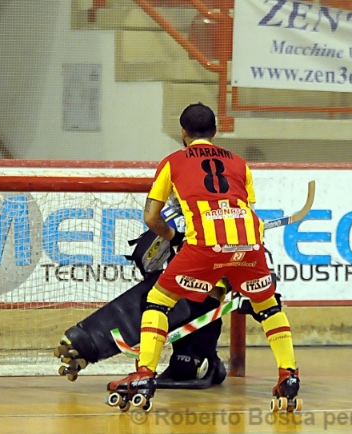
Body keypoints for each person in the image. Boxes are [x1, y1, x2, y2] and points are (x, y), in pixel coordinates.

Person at [106, 103, 300, 411]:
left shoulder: (173, 162)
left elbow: (151, 217)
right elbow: (244, 208)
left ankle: (144, 374)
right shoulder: (240, 163)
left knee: (158, 301)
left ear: (182, 132)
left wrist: (174, 237)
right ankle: (288, 376)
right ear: (215, 131)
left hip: (205, 244)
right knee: (269, 307)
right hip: (248, 242)